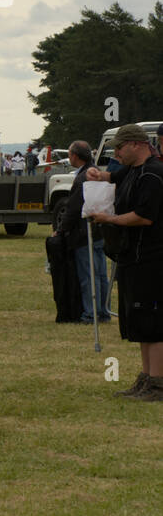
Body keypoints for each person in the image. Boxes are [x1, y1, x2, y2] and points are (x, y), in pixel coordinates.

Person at [87, 125, 163, 400]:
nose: (116, 153)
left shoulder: (153, 175)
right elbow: (112, 175)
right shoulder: (131, 171)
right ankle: (146, 379)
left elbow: (144, 216)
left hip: (152, 260)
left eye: (119, 148)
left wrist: (109, 220)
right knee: (140, 322)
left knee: (154, 323)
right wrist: (97, 174)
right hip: (132, 258)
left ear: (136, 144)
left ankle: (158, 383)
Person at [58, 140, 110, 325]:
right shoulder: (96, 172)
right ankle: (104, 311)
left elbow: (73, 208)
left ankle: (90, 313)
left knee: (89, 276)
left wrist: (61, 229)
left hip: (84, 232)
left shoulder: (82, 178)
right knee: (101, 274)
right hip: (99, 230)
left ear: (75, 156)